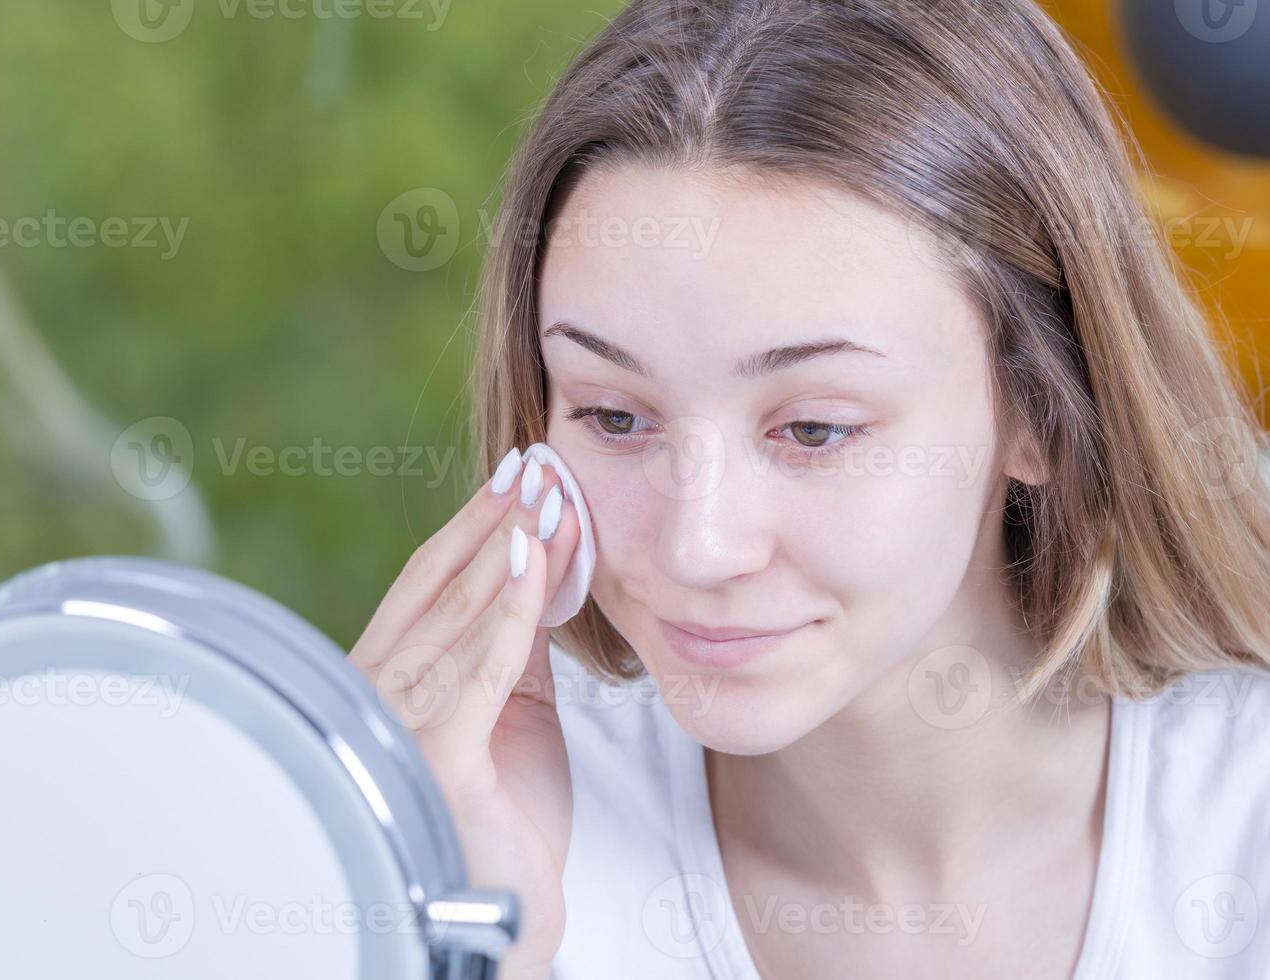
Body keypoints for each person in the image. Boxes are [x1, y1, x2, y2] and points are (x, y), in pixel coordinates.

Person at [346, 0, 1270, 976]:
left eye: (814, 429)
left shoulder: (1241, 833)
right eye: (614, 415)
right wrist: (435, 925)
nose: (696, 546)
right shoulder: (481, 819)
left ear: (1041, 408)